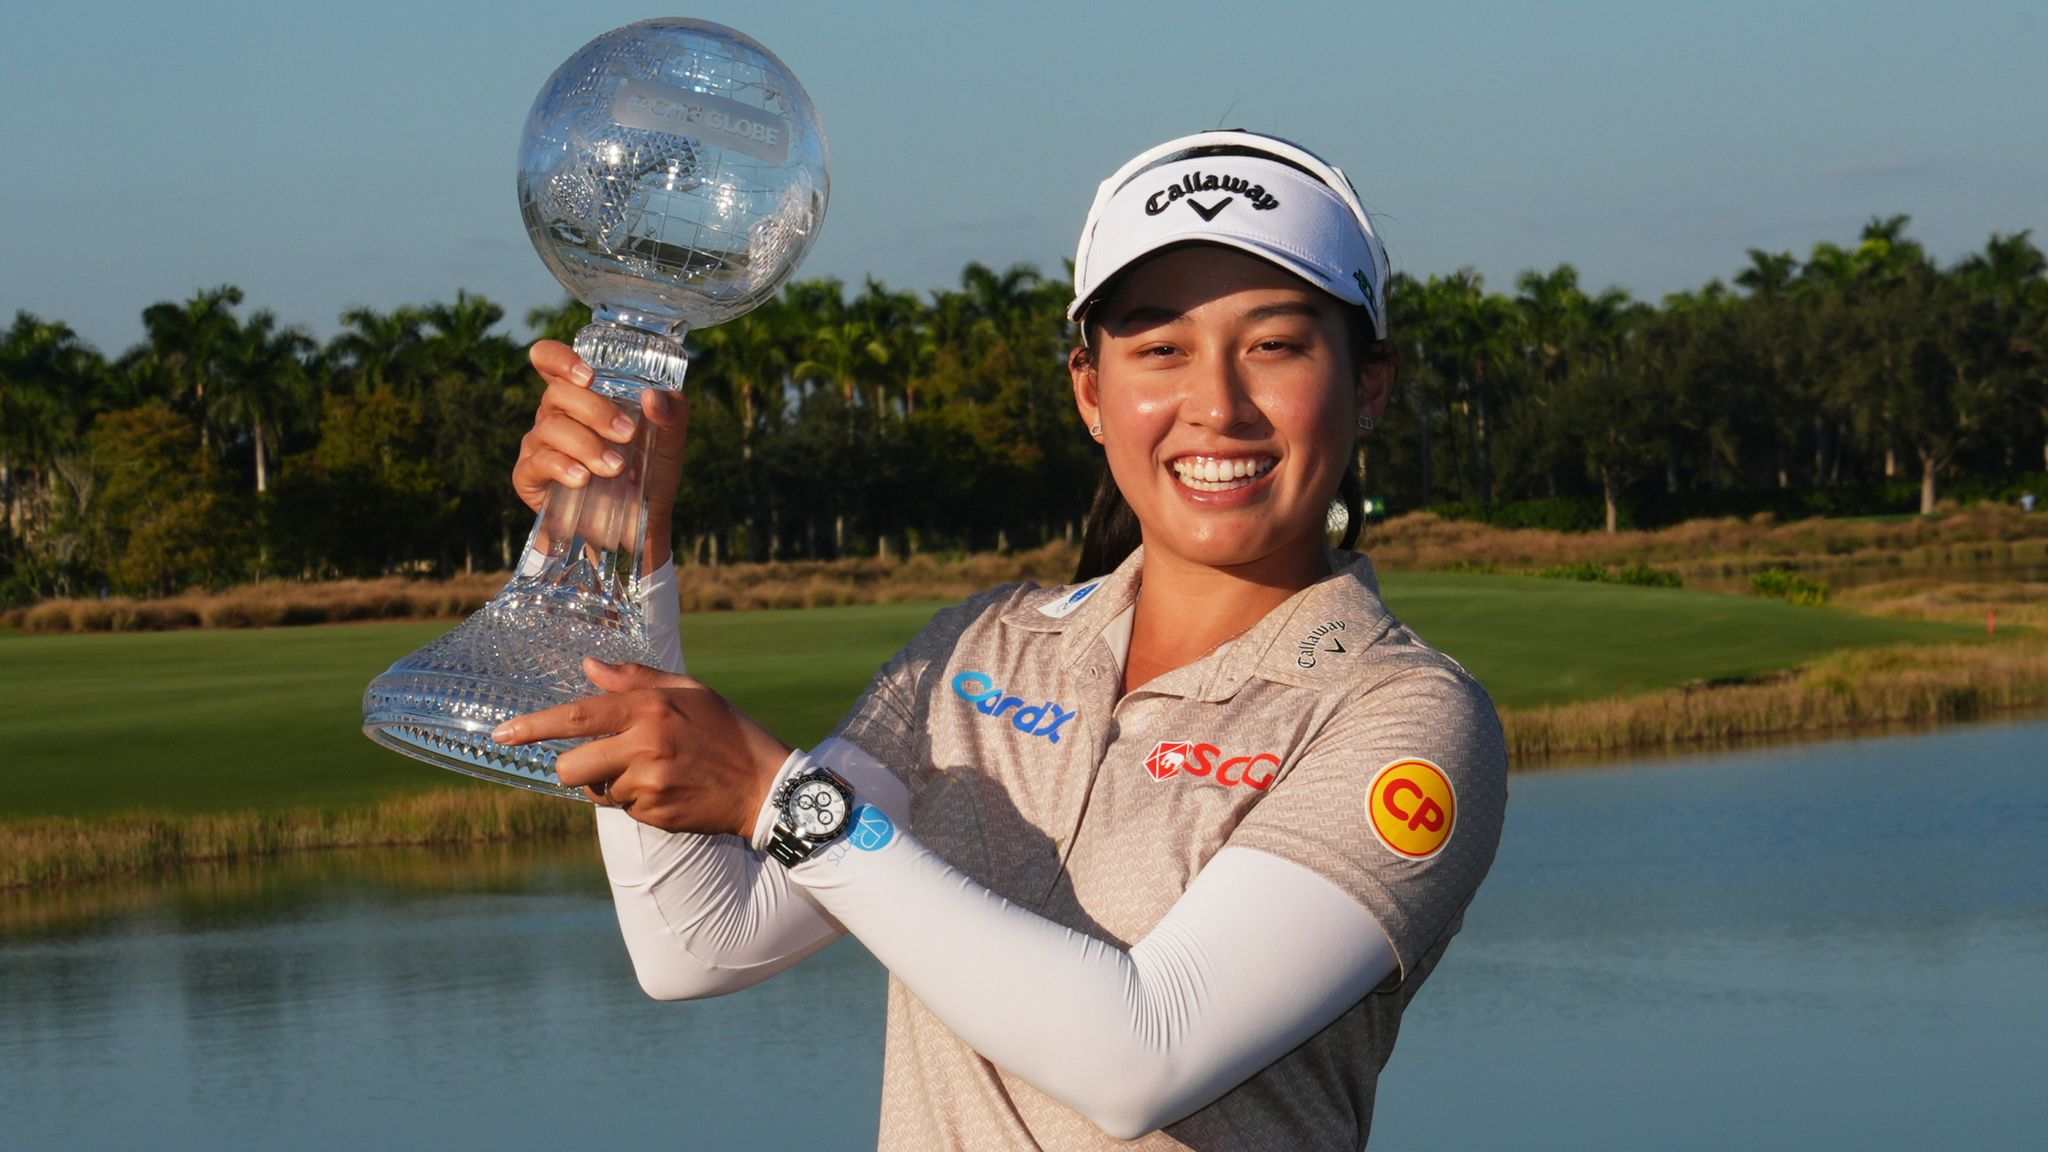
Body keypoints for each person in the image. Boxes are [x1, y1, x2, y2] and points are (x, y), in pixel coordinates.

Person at [495, 130, 1508, 1150]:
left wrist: (777, 799)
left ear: (1368, 384)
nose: (1215, 405)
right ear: (1089, 392)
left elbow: (1138, 1055)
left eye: (1274, 345)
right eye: (1158, 348)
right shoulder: (980, 652)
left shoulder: (1403, 716)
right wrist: (621, 561)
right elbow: (699, 941)